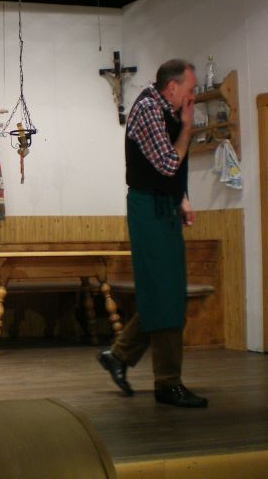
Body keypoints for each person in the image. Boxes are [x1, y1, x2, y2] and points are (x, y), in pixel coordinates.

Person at [97, 58, 208, 408]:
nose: (192, 96)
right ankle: (167, 383)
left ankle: (119, 355)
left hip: (164, 207)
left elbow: (172, 172)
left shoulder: (166, 109)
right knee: (165, 295)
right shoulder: (148, 109)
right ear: (172, 88)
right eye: (190, 90)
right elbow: (169, 163)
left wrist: (182, 198)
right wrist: (187, 127)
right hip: (148, 210)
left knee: (166, 293)